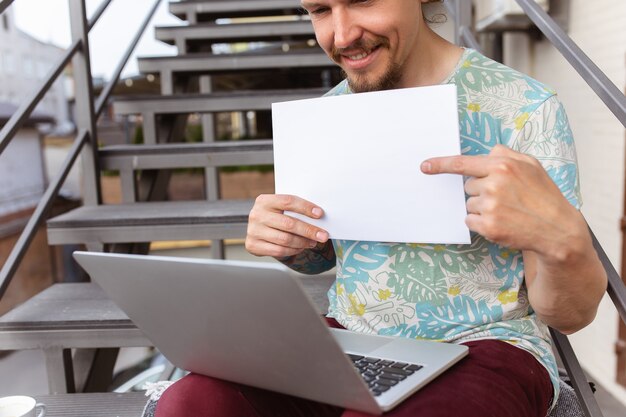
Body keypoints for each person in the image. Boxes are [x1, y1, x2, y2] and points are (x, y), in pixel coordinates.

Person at [155, 1, 608, 416]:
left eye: (362, 0)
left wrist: (559, 239)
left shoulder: (525, 109)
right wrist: (284, 239)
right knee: (193, 401)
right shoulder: (326, 114)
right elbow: (320, 258)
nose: (342, 34)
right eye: (319, 10)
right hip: (349, 338)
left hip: (486, 345)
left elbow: (568, 315)